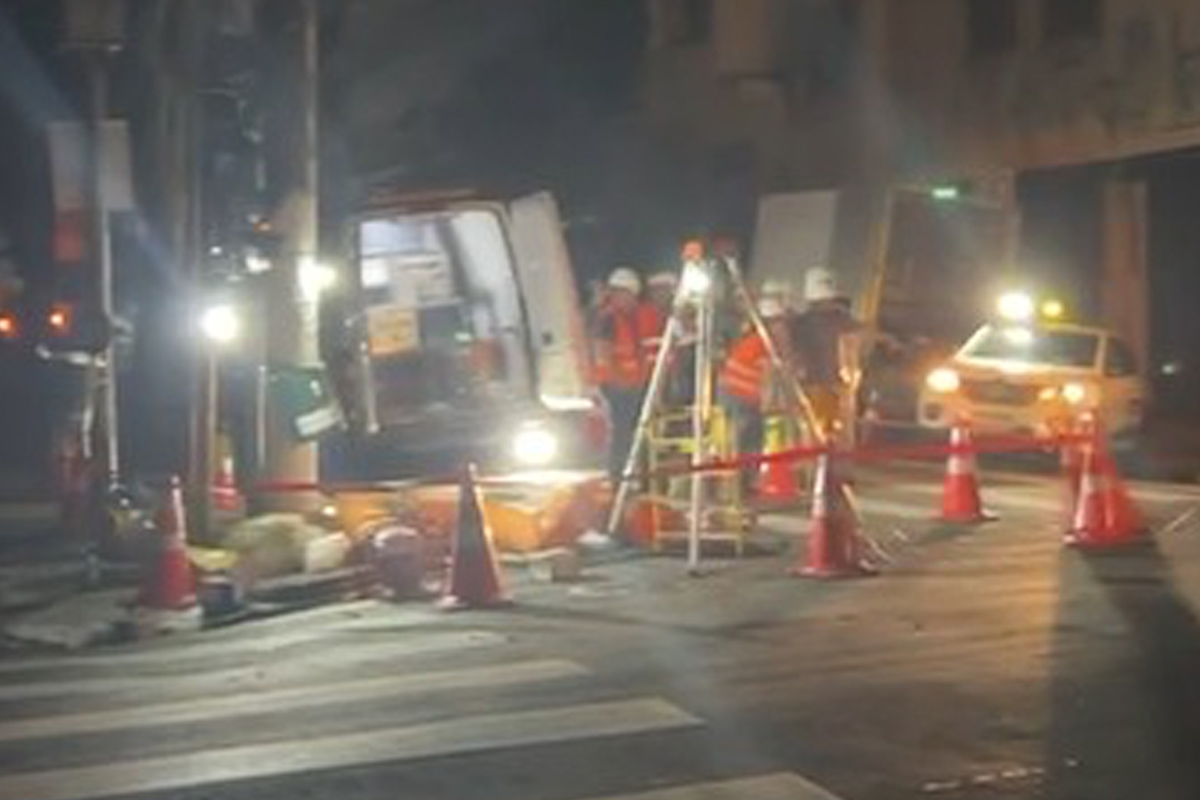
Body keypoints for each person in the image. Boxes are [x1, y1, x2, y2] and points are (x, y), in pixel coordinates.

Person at [592, 267, 654, 485]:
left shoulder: (634, 317)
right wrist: (619, 380)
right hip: (616, 386)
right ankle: (618, 477)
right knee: (622, 432)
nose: (620, 297)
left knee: (637, 430)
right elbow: (603, 354)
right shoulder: (608, 319)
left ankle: (639, 475)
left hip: (634, 384)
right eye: (617, 293)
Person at [718, 296, 791, 479]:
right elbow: (769, 379)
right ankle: (738, 481)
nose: (784, 327)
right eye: (780, 322)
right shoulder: (763, 343)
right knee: (743, 440)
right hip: (738, 397)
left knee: (751, 439)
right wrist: (770, 407)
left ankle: (745, 479)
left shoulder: (761, 340)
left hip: (742, 396)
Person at [791, 267, 865, 444]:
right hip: (832, 387)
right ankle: (830, 466)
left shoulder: (799, 323)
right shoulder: (844, 323)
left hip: (812, 386)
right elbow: (855, 346)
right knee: (832, 435)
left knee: (811, 435)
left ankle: (814, 466)